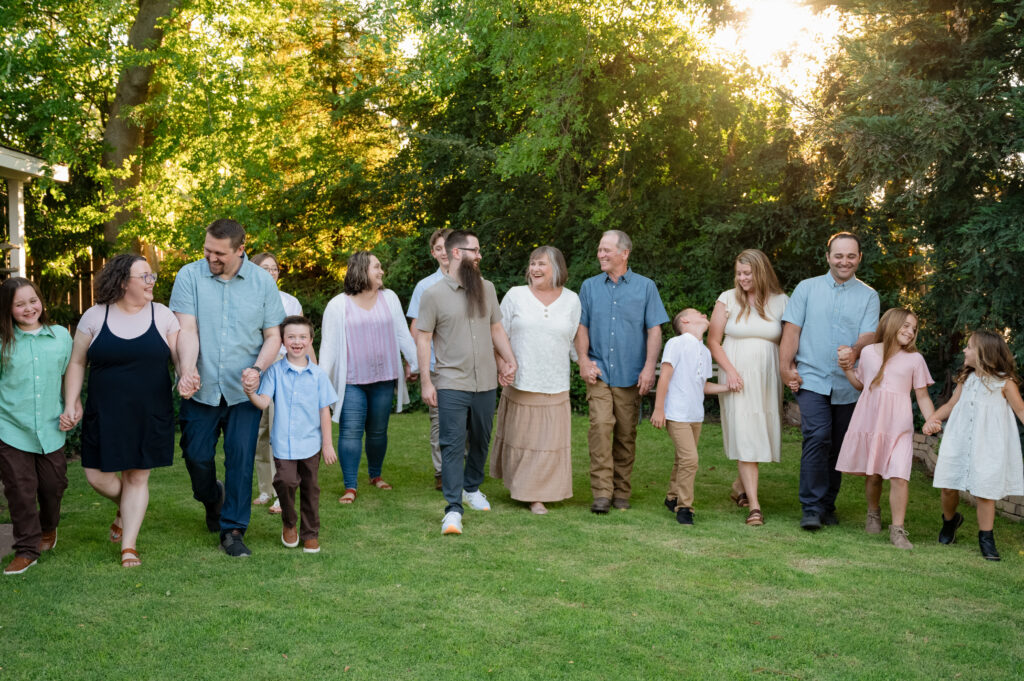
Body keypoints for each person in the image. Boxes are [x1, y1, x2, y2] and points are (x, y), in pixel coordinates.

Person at [170, 218, 286, 557]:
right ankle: (211, 497)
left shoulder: (263, 283)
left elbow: (272, 336)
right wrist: (188, 369)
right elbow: (187, 330)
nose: (210, 257)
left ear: (240, 249)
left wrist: (257, 369)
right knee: (196, 455)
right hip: (201, 387)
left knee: (240, 458)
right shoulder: (189, 276)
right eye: (207, 249)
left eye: (219, 253)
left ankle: (233, 530)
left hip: (243, 390)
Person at [59, 254, 181, 567]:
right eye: (145, 276)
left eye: (152, 276)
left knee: (138, 477)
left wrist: (187, 374)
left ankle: (129, 546)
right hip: (105, 411)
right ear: (124, 282)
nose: (152, 281)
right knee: (96, 476)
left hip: (149, 410)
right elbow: (76, 362)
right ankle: (126, 506)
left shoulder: (163, 315)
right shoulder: (95, 316)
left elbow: (181, 358)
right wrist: (73, 400)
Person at [416, 229, 518, 535]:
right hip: (450, 381)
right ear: (457, 253)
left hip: (486, 380)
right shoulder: (433, 294)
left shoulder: (486, 288)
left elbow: (496, 328)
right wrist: (426, 382)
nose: (479, 255)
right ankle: (453, 510)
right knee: (451, 443)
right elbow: (422, 339)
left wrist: (510, 359)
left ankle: (471, 488)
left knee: (482, 437)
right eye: (475, 250)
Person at [780, 231, 880, 530]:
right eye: (838, 255)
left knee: (837, 444)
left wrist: (856, 350)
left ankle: (827, 505)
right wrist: (786, 367)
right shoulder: (806, 289)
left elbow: (869, 335)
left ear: (859, 258)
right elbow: (792, 330)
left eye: (851, 256)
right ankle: (810, 507)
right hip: (812, 376)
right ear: (828, 257)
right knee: (818, 435)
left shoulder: (868, 296)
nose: (844, 261)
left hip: (849, 382)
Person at [576, 230, 669, 513]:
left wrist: (648, 369)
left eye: (606, 250)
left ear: (624, 253)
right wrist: (583, 360)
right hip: (599, 371)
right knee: (602, 427)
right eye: (599, 250)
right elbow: (582, 326)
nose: (600, 255)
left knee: (626, 435)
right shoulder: (589, 287)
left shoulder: (645, 287)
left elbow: (654, 329)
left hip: (631, 374)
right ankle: (602, 493)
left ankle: (621, 492)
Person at [320, 251, 418, 504]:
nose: (381, 271)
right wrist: (320, 382)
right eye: (377, 267)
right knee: (351, 432)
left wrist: (417, 364)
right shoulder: (338, 305)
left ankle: (375, 475)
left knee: (378, 432)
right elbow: (328, 347)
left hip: (384, 376)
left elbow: (402, 335)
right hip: (351, 381)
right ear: (361, 270)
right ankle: (350, 486)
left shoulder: (390, 298)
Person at [490, 246, 581, 515]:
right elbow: (496, 335)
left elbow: (575, 341)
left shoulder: (572, 300)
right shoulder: (515, 296)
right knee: (525, 441)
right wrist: (502, 365)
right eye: (532, 264)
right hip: (521, 381)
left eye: (541, 264)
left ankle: (543, 493)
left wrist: (587, 363)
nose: (535, 269)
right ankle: (529, 493)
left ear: (557, 268)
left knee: (549, 444)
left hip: (555, 382)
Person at [835, 308, 935, 549]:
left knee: (900, 476)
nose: (910, 332)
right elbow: (862, 384)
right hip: (872, 421)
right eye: (906, 326)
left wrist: (930, 419)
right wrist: (847, 369)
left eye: (914, 328)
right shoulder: (868, 353)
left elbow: (922, 396)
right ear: (892, 324)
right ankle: (873, 513)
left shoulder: (915, 360)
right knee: (874, 475)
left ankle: (898, 530)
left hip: (899, 426)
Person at [924, 330, 1024, 561]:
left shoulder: (1004, 382)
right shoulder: (966, 379)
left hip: (988, 444)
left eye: (968, 347)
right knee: (949, 485)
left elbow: (1020, 410)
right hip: (958, 439)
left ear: (983, 353)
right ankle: (950, 523)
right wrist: (933, 420)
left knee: (984, 492)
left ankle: (986, 538)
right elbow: (950, 404)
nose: (964, 350)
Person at [707, 249, 788, 525]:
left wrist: (790, 371)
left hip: (767, 379)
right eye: (739, 273)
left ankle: (739, 487)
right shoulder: (727, 299)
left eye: (747, 273)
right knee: (745, 434)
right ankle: (754, 506)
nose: (741, 278)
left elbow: (790, 341)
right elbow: (714, 341)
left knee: (759, 431)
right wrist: (730, 371)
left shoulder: (781, 301)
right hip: (736, 376)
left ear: (761, 272)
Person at [245, 315, 337, 553]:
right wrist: (250, 393)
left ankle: (310, 533)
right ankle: (289, 522)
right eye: (291, 337)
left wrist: (327, 444)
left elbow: (324, 411)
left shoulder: (318, 375)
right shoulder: (275, 372)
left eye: (302, 337)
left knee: (310, 488)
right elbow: (264, 401)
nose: (297, 341)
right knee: (284, 481)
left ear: (310, 340)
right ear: (283, 341)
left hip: (312, 444)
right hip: (284, 444)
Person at [0, 278, 72, 575]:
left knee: (53, 486)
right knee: (20, 489)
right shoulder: (3, 342)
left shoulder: (61, 337)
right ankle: (27, 549)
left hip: (51, 426)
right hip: (9, 427)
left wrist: (72, 405)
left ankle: (48, 528)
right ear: (8, 309)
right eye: (19, 304)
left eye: (33, 301)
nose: (29, 308)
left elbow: (70, 374)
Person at [650, 309, 734, 525]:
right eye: (698, 313)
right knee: (690, 459)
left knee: (682, 459)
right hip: (676, 413)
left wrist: (728, 387)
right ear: (685, 321)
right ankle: (684, 507)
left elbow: (703, 385)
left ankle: (672, 497)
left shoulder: (705, 351)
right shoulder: (676, 343)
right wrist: (659, 409)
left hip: (695, 415)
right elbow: (665, 377)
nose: (704, 314)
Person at [250, 252, 312, 515]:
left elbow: (302, 339)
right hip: (256, 374)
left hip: (284, 376)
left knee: (279, 434)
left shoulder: (290, 302)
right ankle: (264, 488)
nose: (271, 272)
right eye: (265, 268)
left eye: (274, 268)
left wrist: (313, 370)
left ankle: (280, 493)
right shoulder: (247, 300)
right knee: (259, 435)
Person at [407, 228, 452, 490]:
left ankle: (462, 465)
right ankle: (442, 471)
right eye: (438, 248)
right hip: (436, 365)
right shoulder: (425, 286)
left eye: (448, 246)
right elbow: (416, 328)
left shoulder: (473, 281)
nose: (444, 251)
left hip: (466, 366)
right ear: (433, 253)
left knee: (468, 421)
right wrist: (415, 363)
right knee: (439, 421)